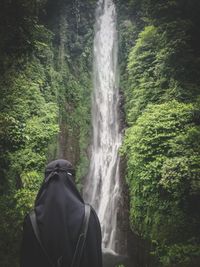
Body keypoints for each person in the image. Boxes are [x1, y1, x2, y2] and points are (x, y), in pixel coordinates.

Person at [21, 159, 102, 267]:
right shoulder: (88, 216)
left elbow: (26, 260)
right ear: (71, 180)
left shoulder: (31, 220)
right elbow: (95, 258)